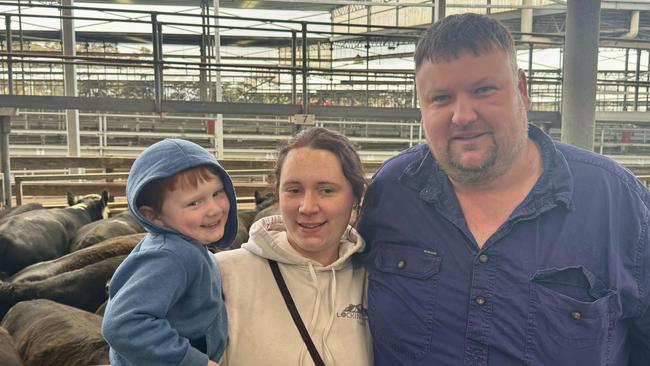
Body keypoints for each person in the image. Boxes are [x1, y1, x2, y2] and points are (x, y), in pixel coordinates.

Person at [358, 13, 650, 366]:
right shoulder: (393, 190)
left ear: (522, 90)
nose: (462, 115)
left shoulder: (615, 201)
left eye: (483, 90)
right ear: (421, 106)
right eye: (441, 97)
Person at [216, 127, 372, 366]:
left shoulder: (376, 281)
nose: (307, 207)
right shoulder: (221, 274)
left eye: (326, 190)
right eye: (294, 190)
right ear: (278, 194)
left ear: (354, 197)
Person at [102, 138, 238, 366]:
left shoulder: (187, 246)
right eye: (195, 203)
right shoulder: (172, 257)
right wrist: (191, 360)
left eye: (217, 193)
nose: (214, 209)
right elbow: (122, 323)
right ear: (154, 216)